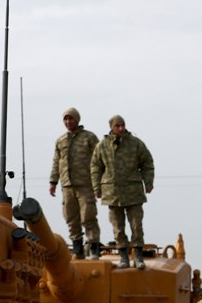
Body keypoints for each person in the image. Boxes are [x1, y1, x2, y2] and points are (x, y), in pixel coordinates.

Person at [91, 115, 155, 269]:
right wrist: (96, 188)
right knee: (118, 227)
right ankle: (123, 257)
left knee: (136, 226)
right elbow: (95, 167)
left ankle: (138, 256)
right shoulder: (103, 146)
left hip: (133, 192)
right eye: (117, 126)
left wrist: (148, 182)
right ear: (111, 127)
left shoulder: (135, 144)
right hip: (112, 193)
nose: (121, 128)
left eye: (122, 125)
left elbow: (147, 163)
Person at [48, 107, 100, 259]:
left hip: (85, 184)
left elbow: (99, 160)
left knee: (88, 217)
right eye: (65, 119)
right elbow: (56, 162)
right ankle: (78, 249)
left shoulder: (89, 138)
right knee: (71, 218)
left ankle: (94, 248)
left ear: (77, 120)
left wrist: (99, 182)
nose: (68, 122)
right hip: (67, 185)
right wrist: (53, 182)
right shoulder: (61, 140)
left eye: (71, 119)